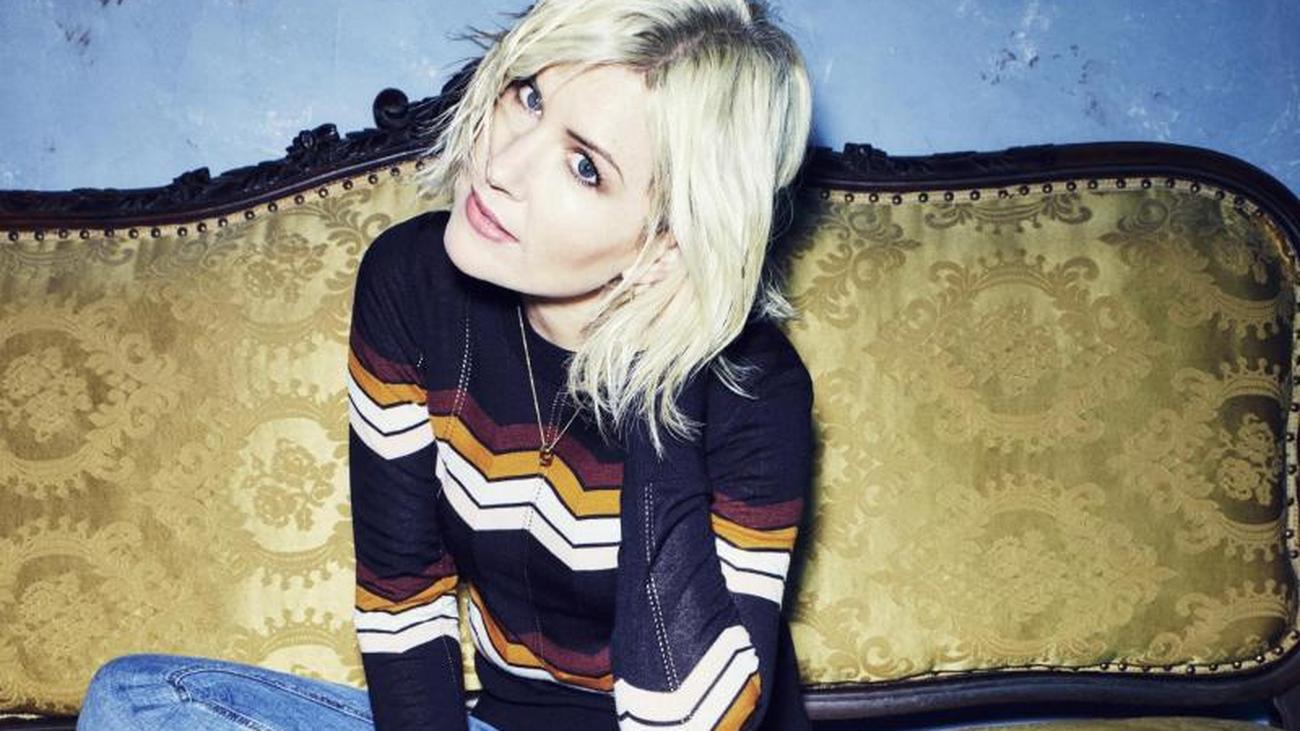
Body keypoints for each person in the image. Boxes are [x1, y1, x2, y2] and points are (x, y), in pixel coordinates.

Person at [76, 0, 814, 729]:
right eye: (529, 97)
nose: (501, 165)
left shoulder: (755, 389)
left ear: (666, 243)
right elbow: (403, 600)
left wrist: (663, 364)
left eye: (585, 167)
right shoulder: (412, 286)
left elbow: (690, 718)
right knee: (135, 700)